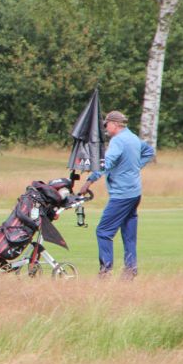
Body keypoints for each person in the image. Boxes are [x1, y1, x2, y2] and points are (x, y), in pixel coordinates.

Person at [79, 110, 155, 279]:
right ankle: (130, 269)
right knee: (128, 233)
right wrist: (134, 167)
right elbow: (149, 152)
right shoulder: (133, 138)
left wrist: (89, 181)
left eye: (107, 125)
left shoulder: (118, 141)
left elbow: (106, 163)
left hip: (121, 195)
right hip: (134, 193)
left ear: (114, 124)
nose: (106, 128)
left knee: (103, 231)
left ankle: (105, 271)